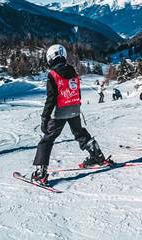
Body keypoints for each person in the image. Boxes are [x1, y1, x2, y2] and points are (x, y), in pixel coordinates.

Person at [31, 44, 108, 185]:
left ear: (50, 58)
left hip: (59, 111)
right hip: (74, 108)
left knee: (47, 140)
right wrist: (76, 105)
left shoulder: (52, 74)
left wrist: (45, 117)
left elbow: (51, 98)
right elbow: (77, 90)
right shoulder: (73, 71)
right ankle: (97, 155)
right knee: (80, 133)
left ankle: (40, 172)